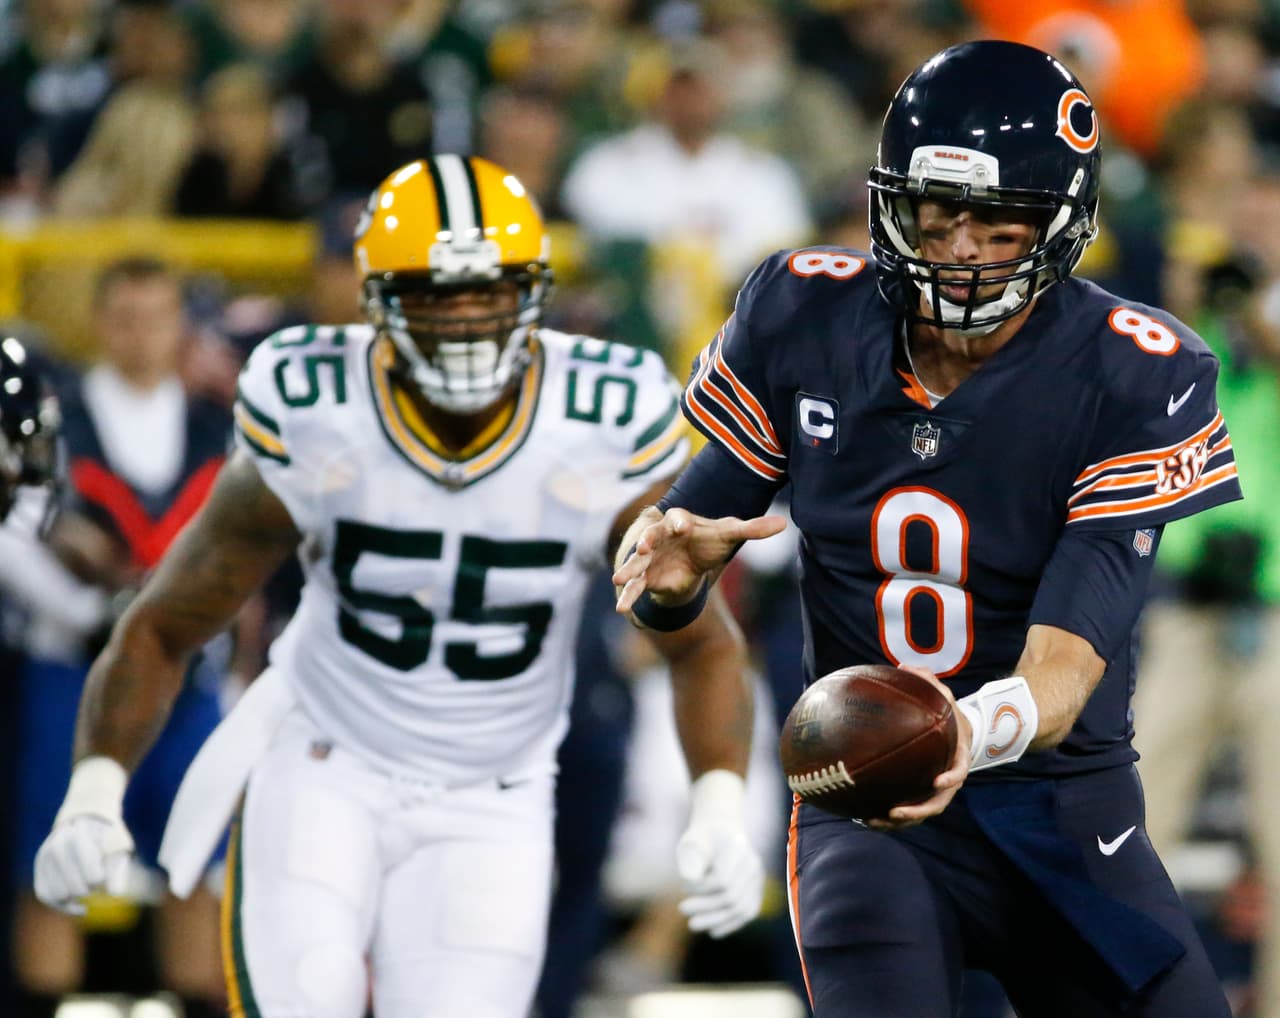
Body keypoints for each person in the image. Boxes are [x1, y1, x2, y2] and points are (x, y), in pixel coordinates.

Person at [31, 154, 764, 1018]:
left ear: (531, 292)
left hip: (494, 798)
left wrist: (717, 804)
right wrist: (93, 789)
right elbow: (166, 623)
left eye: (485, 293)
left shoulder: (602, 419)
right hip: (325, 766)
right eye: (434, 296)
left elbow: (700, 643)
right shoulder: (316, 402)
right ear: (375, 299)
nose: (462, 324)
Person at [612, 40, 1241, 1017]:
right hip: (867, 801)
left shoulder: (1134, 372)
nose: (955, 248)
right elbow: (688, 543)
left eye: (994, 223)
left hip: (1056, 802)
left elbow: (1063, 670)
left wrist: (962, 728)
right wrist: (669, 578)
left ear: (1061, 226)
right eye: (934, 213)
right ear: (886, 204)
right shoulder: (802, 311)